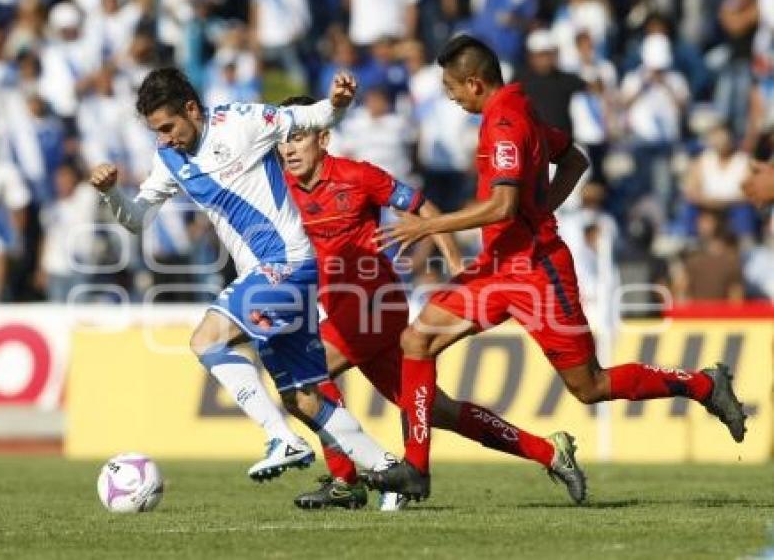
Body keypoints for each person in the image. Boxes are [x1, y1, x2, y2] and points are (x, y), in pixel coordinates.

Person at [361, 35, 748, 501]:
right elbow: (574, 159)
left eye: (452, 87)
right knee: (416, 340)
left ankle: (704, 384)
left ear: (475, 82)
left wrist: (432, 226)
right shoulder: (515, 110)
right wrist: (542, 206)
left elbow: (503, 205)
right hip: (498, 267)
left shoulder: (506, 121)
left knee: (590, 386)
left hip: (537, 275)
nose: (450, 96)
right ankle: (415, 470)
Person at [277, 95, 587, 510]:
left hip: (374, 304)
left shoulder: (358, 175)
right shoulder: (280, 190)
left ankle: (347, 480)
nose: (289, 149)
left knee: (304, 380)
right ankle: (550, 452)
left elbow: (423, 207)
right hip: (340, 309)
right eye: (283, 140)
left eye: (298, 138)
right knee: (436, 410)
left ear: (324, 137)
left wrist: (454, 260)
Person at [88, 67, 397, 484]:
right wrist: (112, 193)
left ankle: (279, 439)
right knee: (302, 397)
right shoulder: (169, 159)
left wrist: (338, 102)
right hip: (269, 273)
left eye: (167, 127)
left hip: (287, 262)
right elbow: (138, 220)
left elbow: (315, 118)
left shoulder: (243, 121)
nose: (164, 138)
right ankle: (390, 471)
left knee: (206, 338)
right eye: (156, 132)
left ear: (192, 109)